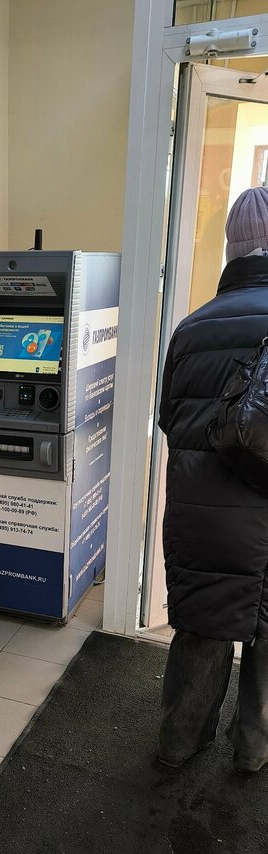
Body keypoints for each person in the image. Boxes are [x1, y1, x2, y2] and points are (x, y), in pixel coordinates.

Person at [158, 186, 268, 772]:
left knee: (203, 628)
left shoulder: (191, 327)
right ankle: (253, 750)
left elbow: (168, 419)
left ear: (232, 248)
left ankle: (180, 742)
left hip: (201, 511)